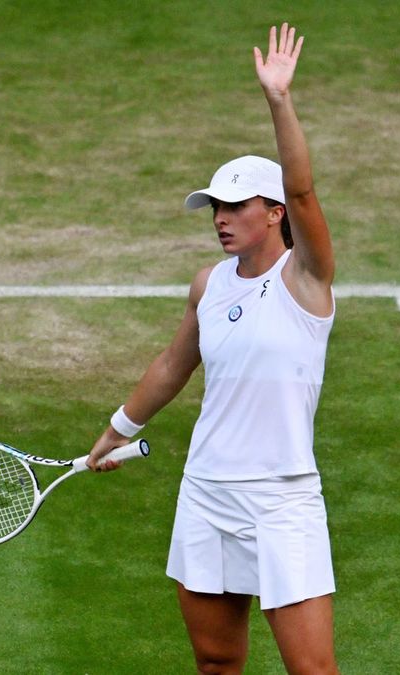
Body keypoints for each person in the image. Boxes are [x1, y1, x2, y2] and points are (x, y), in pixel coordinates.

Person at [86, 23, 338, 675]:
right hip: (208, 493)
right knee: (216, 662)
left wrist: (279, 101)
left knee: (313, 671)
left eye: (236, 205)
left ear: (275, 211)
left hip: (282, 500)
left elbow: (306, 189)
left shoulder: (306, 280)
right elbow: (175, 363)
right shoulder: (208, 282)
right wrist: (119, 428)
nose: (221, 217)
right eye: (214, 207)